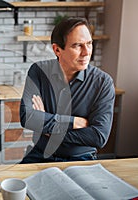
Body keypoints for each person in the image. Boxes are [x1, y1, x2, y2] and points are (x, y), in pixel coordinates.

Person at [20, 17, 115, 164]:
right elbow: (27, 117)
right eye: (77, 46)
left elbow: (98, 136)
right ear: (57, 49)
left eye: (89, 44)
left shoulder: (103, 82)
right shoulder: (38, 71)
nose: (86, 52)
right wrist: (72, 122)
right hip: (40, 154)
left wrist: (47, 129)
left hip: (81, 159)